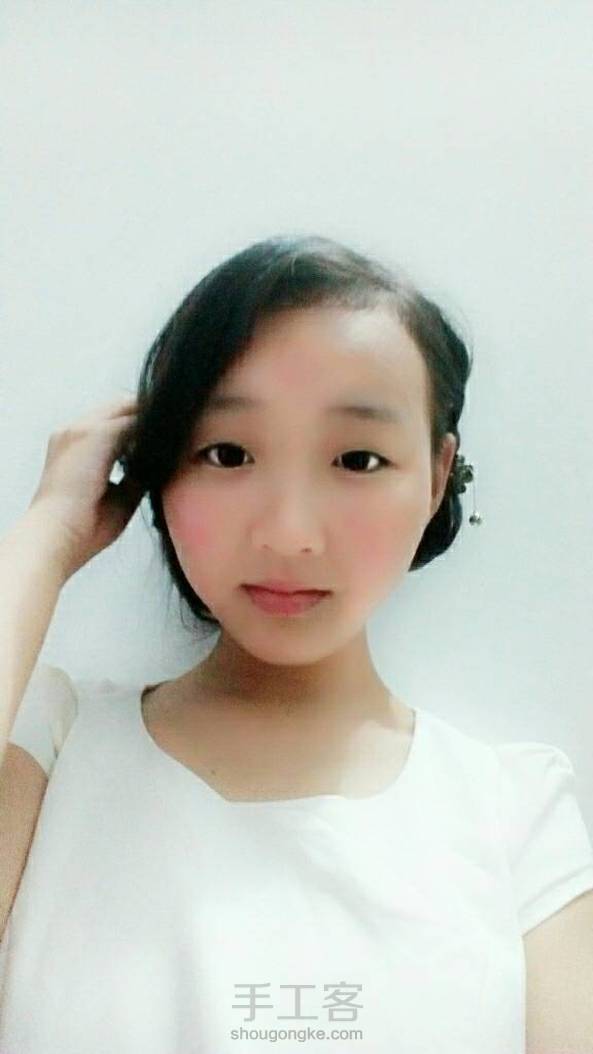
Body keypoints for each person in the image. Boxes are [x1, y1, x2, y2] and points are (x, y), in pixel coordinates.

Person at [0, 234, 592, 1052]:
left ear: (434, 476)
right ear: (158, 468)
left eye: (357, 459)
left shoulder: (512, 815)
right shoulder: (50, 750)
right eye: (227, 453)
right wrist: (48, 534)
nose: (288, 533)